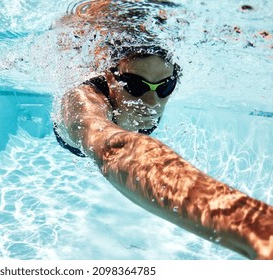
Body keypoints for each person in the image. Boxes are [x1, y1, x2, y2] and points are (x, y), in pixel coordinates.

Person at [53, 0, 273, 259]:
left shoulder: (150, 96)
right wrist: (257, 228)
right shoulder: (82, 101)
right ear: (111, 78)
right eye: (135, 86)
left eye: (165, 87)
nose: (151, 101)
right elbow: (114, 149)